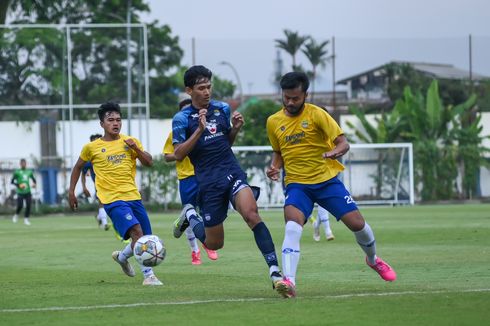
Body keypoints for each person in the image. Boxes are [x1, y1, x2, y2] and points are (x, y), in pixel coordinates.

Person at [266, 71, 396, 298]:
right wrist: (274, 167)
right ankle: (289, 281)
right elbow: (279, 152)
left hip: (326, 182)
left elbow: (343, 143)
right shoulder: (273, 121)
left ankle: (373, 260)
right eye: (286, 97)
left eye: (295, 98)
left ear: (306, 94)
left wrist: (334, 152)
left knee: (358, 224)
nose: (290, 102)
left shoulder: (318, 115)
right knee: (292, 225)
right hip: (297, 185)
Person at [171, 65, 283, 291]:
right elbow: (179, 154)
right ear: (189, 90)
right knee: (215, 243)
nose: (207, 92)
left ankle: (275, 273)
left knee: (252, 215)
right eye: (201, 88)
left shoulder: (222, 108)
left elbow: (225, 142)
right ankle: (191, 214)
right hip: (208, 182)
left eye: (209, 87)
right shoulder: (182, 119)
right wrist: (199, 130)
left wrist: (236, 129)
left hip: (231, 172)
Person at [68, 101, 162, 286]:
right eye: (110, 120)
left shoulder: (130, 141)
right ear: (102, 124)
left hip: (133, 197)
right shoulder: (92, 147)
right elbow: (78, 167)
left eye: (118, 120)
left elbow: (149, 162)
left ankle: (122, 257)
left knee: (144, 238)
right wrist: (71, 191)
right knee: (137, 232)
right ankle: (149, 276)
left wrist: (135, 148)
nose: (115, 123)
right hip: (112, 200)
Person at [163, 98, 219, 265]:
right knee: (190, 214)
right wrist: (181, 152)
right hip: (187, 176)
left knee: (207, 211)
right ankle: (195, 251)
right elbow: (168, 156)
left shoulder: (205, 129)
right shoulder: (175, 132)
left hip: (205, 174)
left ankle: (208, 242)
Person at [81, 133, 110, 231]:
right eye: (93, 141)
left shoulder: (108, 153)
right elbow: (83, 173)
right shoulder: (89, 159)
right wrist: (84, 187)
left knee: (109, 203)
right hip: (99, 184)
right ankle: (105, 223)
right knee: (102, 201)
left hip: (112, 183)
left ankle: (100, 217)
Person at [11, 158, 37, 225]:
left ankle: (26, 219)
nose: (23, 164)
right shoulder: (17, 172)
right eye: (22, 163)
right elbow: (12, 181)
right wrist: (19, 185)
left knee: (28, 205)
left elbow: (34, 180)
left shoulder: (29, 172)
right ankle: (16, 215)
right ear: (20, 164)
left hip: (28, 191)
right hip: (20, 192)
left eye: (24, 163)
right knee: (20, 205)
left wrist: (34, 184)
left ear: (26, 164)